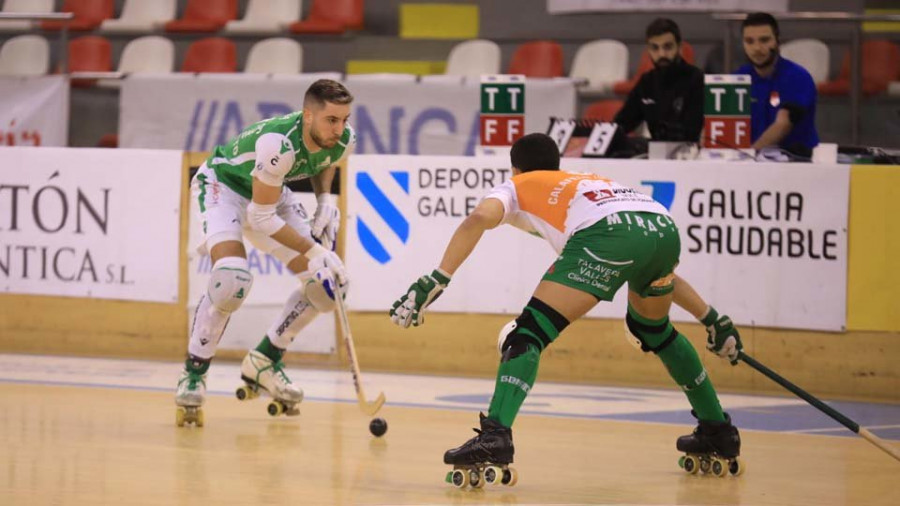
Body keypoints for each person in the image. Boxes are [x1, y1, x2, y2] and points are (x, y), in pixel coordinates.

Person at [389, 133, 744, 483]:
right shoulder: (585, 183)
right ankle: (717, 429)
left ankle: (494, 436)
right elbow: (646, 255)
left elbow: (479, 217)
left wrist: (437, 279)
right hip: (660, 226)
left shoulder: (519, 184)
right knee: (653, 329)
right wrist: (711, 318)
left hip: (607, 235)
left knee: (528, 333)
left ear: (515, 168)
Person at [174, 79, 354, 423]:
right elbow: (260, 217)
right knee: (231, 281)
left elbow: (327, 159)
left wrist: (324, 200)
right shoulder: (279, 144)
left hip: (270, 193)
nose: (340, 129)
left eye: (345, 120)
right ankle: (194, 372)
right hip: (223, 188)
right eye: (332, 120)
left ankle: (264, 361)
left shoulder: (342, 137)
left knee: (331, 286)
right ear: (308, 116)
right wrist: (315, 250)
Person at [737, 12, 819, 159]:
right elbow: (716, 121)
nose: (757, 48)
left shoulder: (798, 77)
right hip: (749, 162)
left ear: (777, 40)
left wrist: (750, 156)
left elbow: (783, 124)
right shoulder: (738, 78)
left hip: (795, 164)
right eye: (749, 41)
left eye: (764, 40)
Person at [614, 18, 705, 143]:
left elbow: (691, 132)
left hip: (689, 157)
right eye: (655, 48)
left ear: (679, 47)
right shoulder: (647, 82)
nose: (662, 54)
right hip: (655, 156)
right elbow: (621, 124)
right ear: (648, 50)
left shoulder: (696, 79)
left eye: (668, 47)